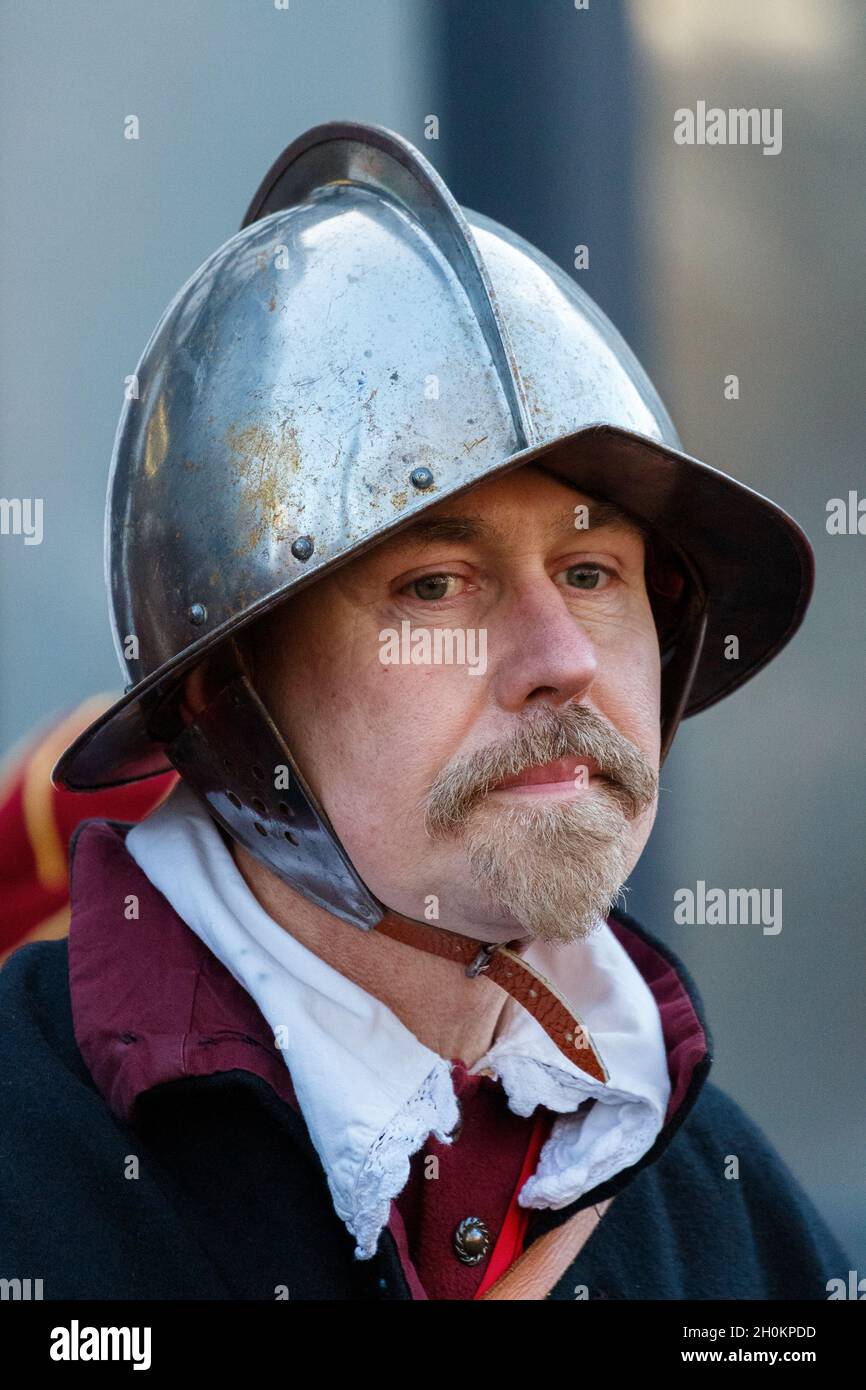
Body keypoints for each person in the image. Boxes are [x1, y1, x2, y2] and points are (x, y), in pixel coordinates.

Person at [0, 121, 851, 1300]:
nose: (558, 661)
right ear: (225, 701)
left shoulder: (728, 1215)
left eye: (593, 574)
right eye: (435, 585)